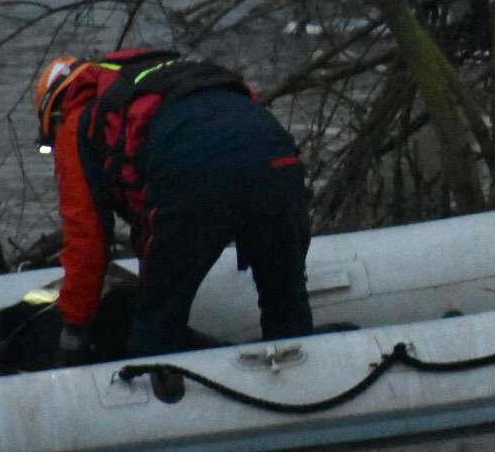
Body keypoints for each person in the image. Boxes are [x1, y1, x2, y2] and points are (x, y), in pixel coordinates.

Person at [33, 47, 313, 360]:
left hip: (197, 175)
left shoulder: (76, 124)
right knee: (287, 307)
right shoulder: (172, 81)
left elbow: (87, 240)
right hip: (279, 160)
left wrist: (74, 333)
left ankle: (156, 384)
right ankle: (304, 379)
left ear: (55, 113)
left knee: (155, 330)